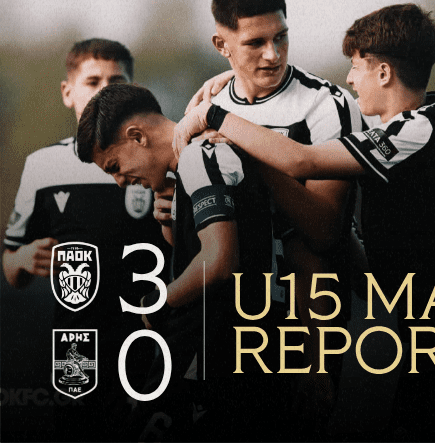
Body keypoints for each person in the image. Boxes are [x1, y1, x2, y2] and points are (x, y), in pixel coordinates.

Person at [175, 3, 435, 441]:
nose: (350, 80)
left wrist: (215, 116)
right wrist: (235, 80)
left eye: (356, 67)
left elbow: (302, 159)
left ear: (384, 73)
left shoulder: (417, 131)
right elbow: (367, 266)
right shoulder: (408, 128)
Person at [192, 0, 366, 435]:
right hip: (228, 321)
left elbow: (325, 231)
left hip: (305, 329)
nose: (273, 54)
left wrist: (249, 152)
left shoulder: (326, 104)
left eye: (281, 37)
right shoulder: (205, 105)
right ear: (222, 45)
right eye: (255, 43)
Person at [77, 82, 291, 441]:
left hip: (213, 353)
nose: (119, 182)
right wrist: (171, 222)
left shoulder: (199, 156)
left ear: (137, 136)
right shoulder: (195, 163)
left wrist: (157, 303)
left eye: (115, 165)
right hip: (244, 349)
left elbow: (219, 260)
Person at [2, 38, 169, 442]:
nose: (104, 92)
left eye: (116, 82)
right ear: (68, 92)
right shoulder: (43, 167)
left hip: (148, 338)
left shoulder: (158, 160)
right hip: (77, 347)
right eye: (93, 81)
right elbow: (11, 264)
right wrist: (21, 258)